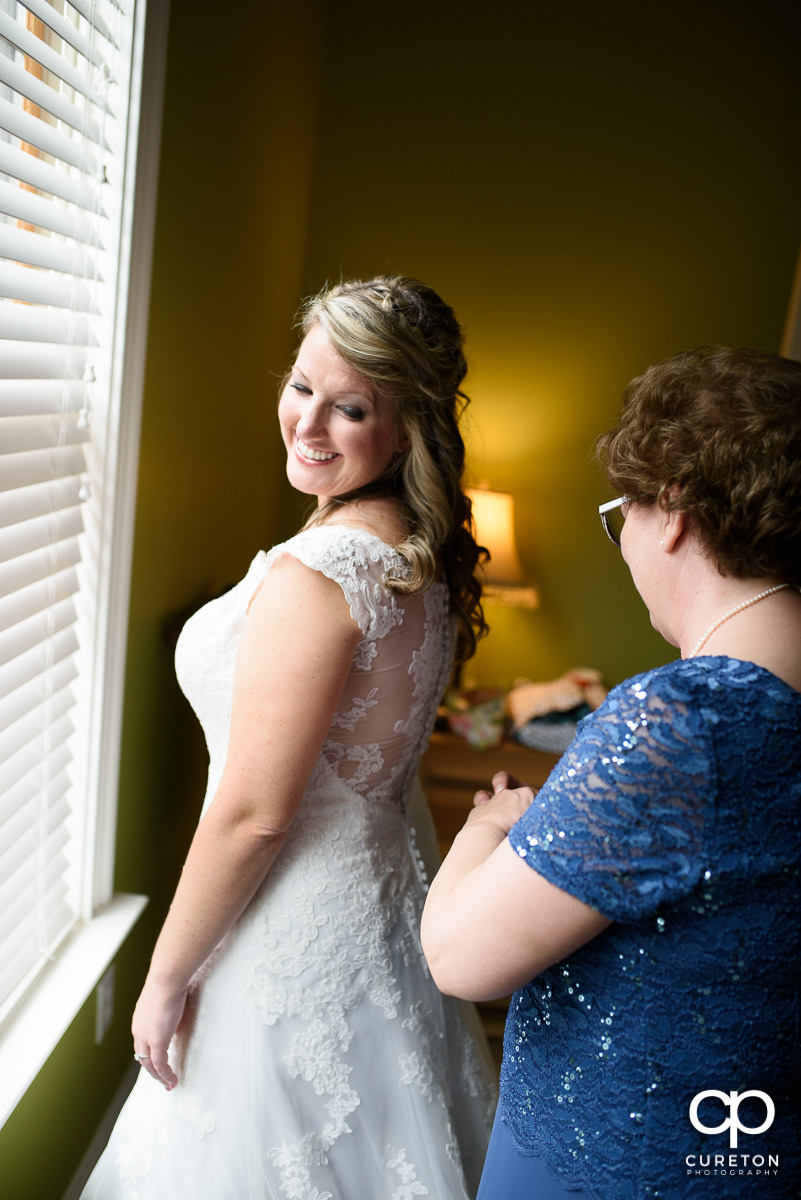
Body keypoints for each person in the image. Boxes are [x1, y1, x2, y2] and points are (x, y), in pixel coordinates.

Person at [82, 276, 497, 1199]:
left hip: (281, 939)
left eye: (349, 407)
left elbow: (254, 814)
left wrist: (164, 976)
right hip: (381, 915)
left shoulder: (323, 572)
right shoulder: (413, 551)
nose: (308, 423)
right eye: (301, 385)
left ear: (407, 429)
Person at [421, 345, 801, 1199]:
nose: (624, 541)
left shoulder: (678, 720)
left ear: (670, 510)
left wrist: (485, 828)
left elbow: (457, 959)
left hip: (611, 1161)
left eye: (617, 513)